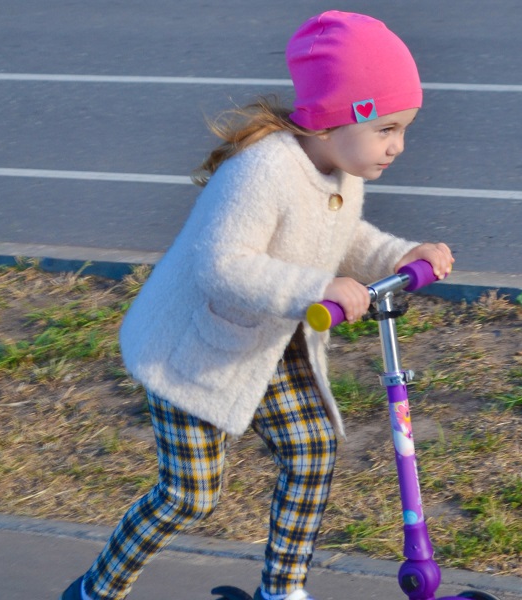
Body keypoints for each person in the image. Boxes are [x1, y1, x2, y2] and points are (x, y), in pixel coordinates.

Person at [60, 10, 453, 600]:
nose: (397, 146)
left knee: (313, 448)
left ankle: (283, 590)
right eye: (387, 129)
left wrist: (405, 254)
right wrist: (313, 289)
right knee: (188, 497)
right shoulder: (264, 171)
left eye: (404, 130)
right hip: (190, 351)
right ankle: (95, 590)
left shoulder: (341, 172)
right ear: (334, 118)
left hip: (264, 341)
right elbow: (223, 267)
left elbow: (347, 240)